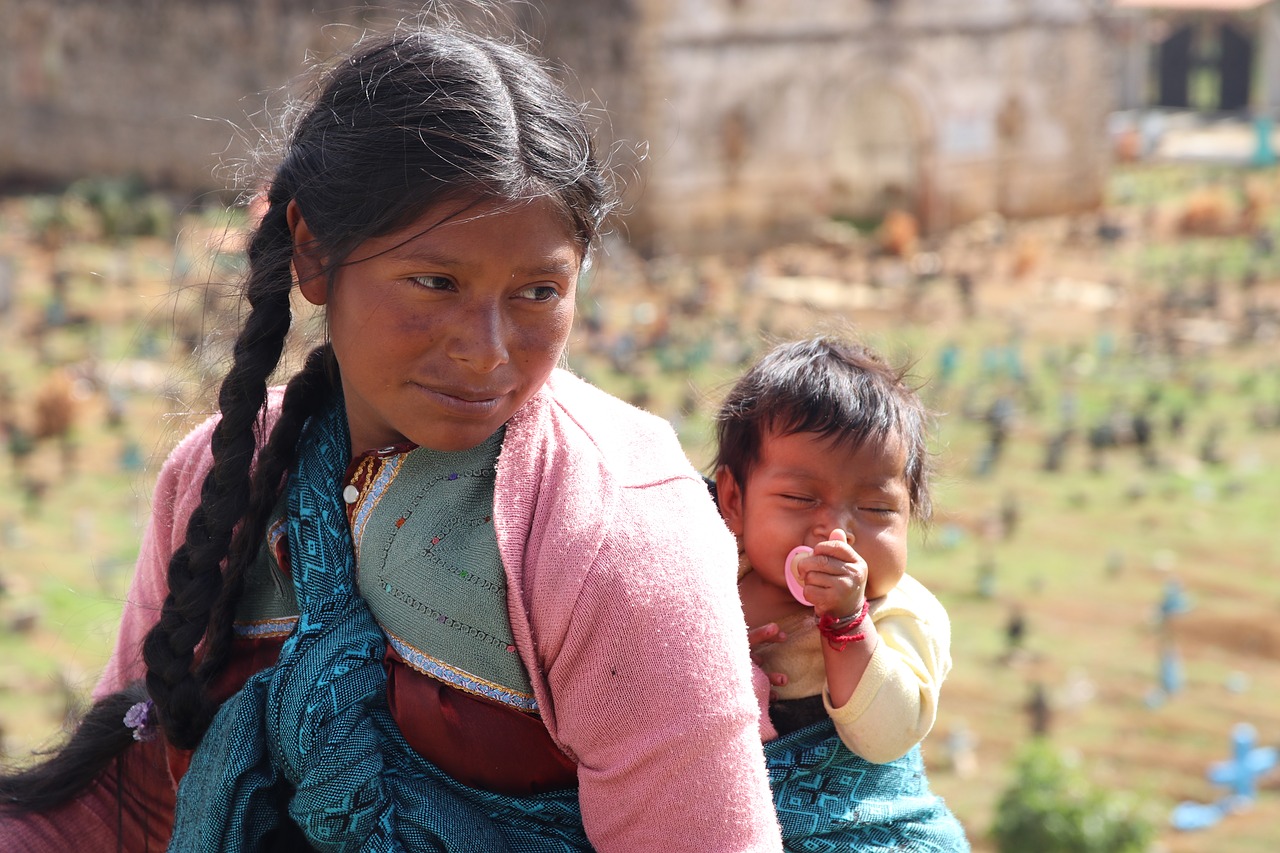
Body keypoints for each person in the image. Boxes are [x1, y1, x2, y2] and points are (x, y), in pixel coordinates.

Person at [0, 23, 784, 852]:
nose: (486, 349)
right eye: (435, 282)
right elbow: (120, 809)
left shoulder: (615, 530)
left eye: (538, 291)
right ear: (312, 253)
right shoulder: (217, 479)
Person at [712, 336, 969, 850]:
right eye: (801, 499)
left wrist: (849, 624)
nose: (835, 533)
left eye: (875, 509)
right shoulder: (710, 571)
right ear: (734, 501)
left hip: (861, 825)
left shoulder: (901, 613)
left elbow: (886, 737)